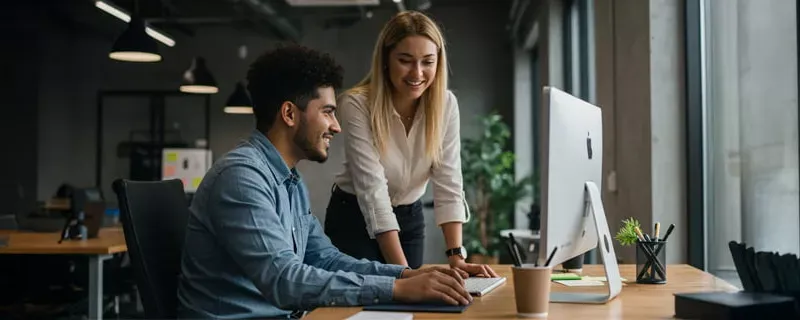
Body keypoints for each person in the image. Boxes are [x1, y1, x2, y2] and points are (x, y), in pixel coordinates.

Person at [176, 44, 472, 320]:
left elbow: (324, 259)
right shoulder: (241, 178)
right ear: (290, 113)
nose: (336, 126)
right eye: (328, 112)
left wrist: (405, 276)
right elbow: (284, 281)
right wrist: (397, 290)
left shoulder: (289, 181)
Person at [324, 11, 499, 277]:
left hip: (409, 218)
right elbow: (373, 192)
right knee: (363, 307)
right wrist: (406, 275)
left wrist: (456, 257)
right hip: (354, 218)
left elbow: (449, 181)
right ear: (385, 60)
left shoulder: (446, 105)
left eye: (427, 62)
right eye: (405, 60)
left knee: (411, 311)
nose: (417, 73)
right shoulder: (356, 104)